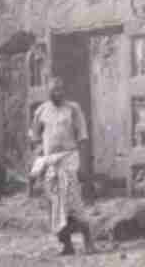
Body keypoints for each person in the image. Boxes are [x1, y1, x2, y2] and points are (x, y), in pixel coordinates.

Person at [28, 77, 96, 255]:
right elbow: (35, 138)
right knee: (55, 205)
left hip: (69, 160)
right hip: (50, 164)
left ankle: (88, 240)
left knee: (73, 203)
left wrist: (81, 165)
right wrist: (38, 162)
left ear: (64, 91)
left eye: (60, 89)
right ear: (48, 92)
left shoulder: (73, 109)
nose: (57, 93)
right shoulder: (41, 111)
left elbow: (82, 137)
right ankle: (67, 244)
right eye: (53, 90)